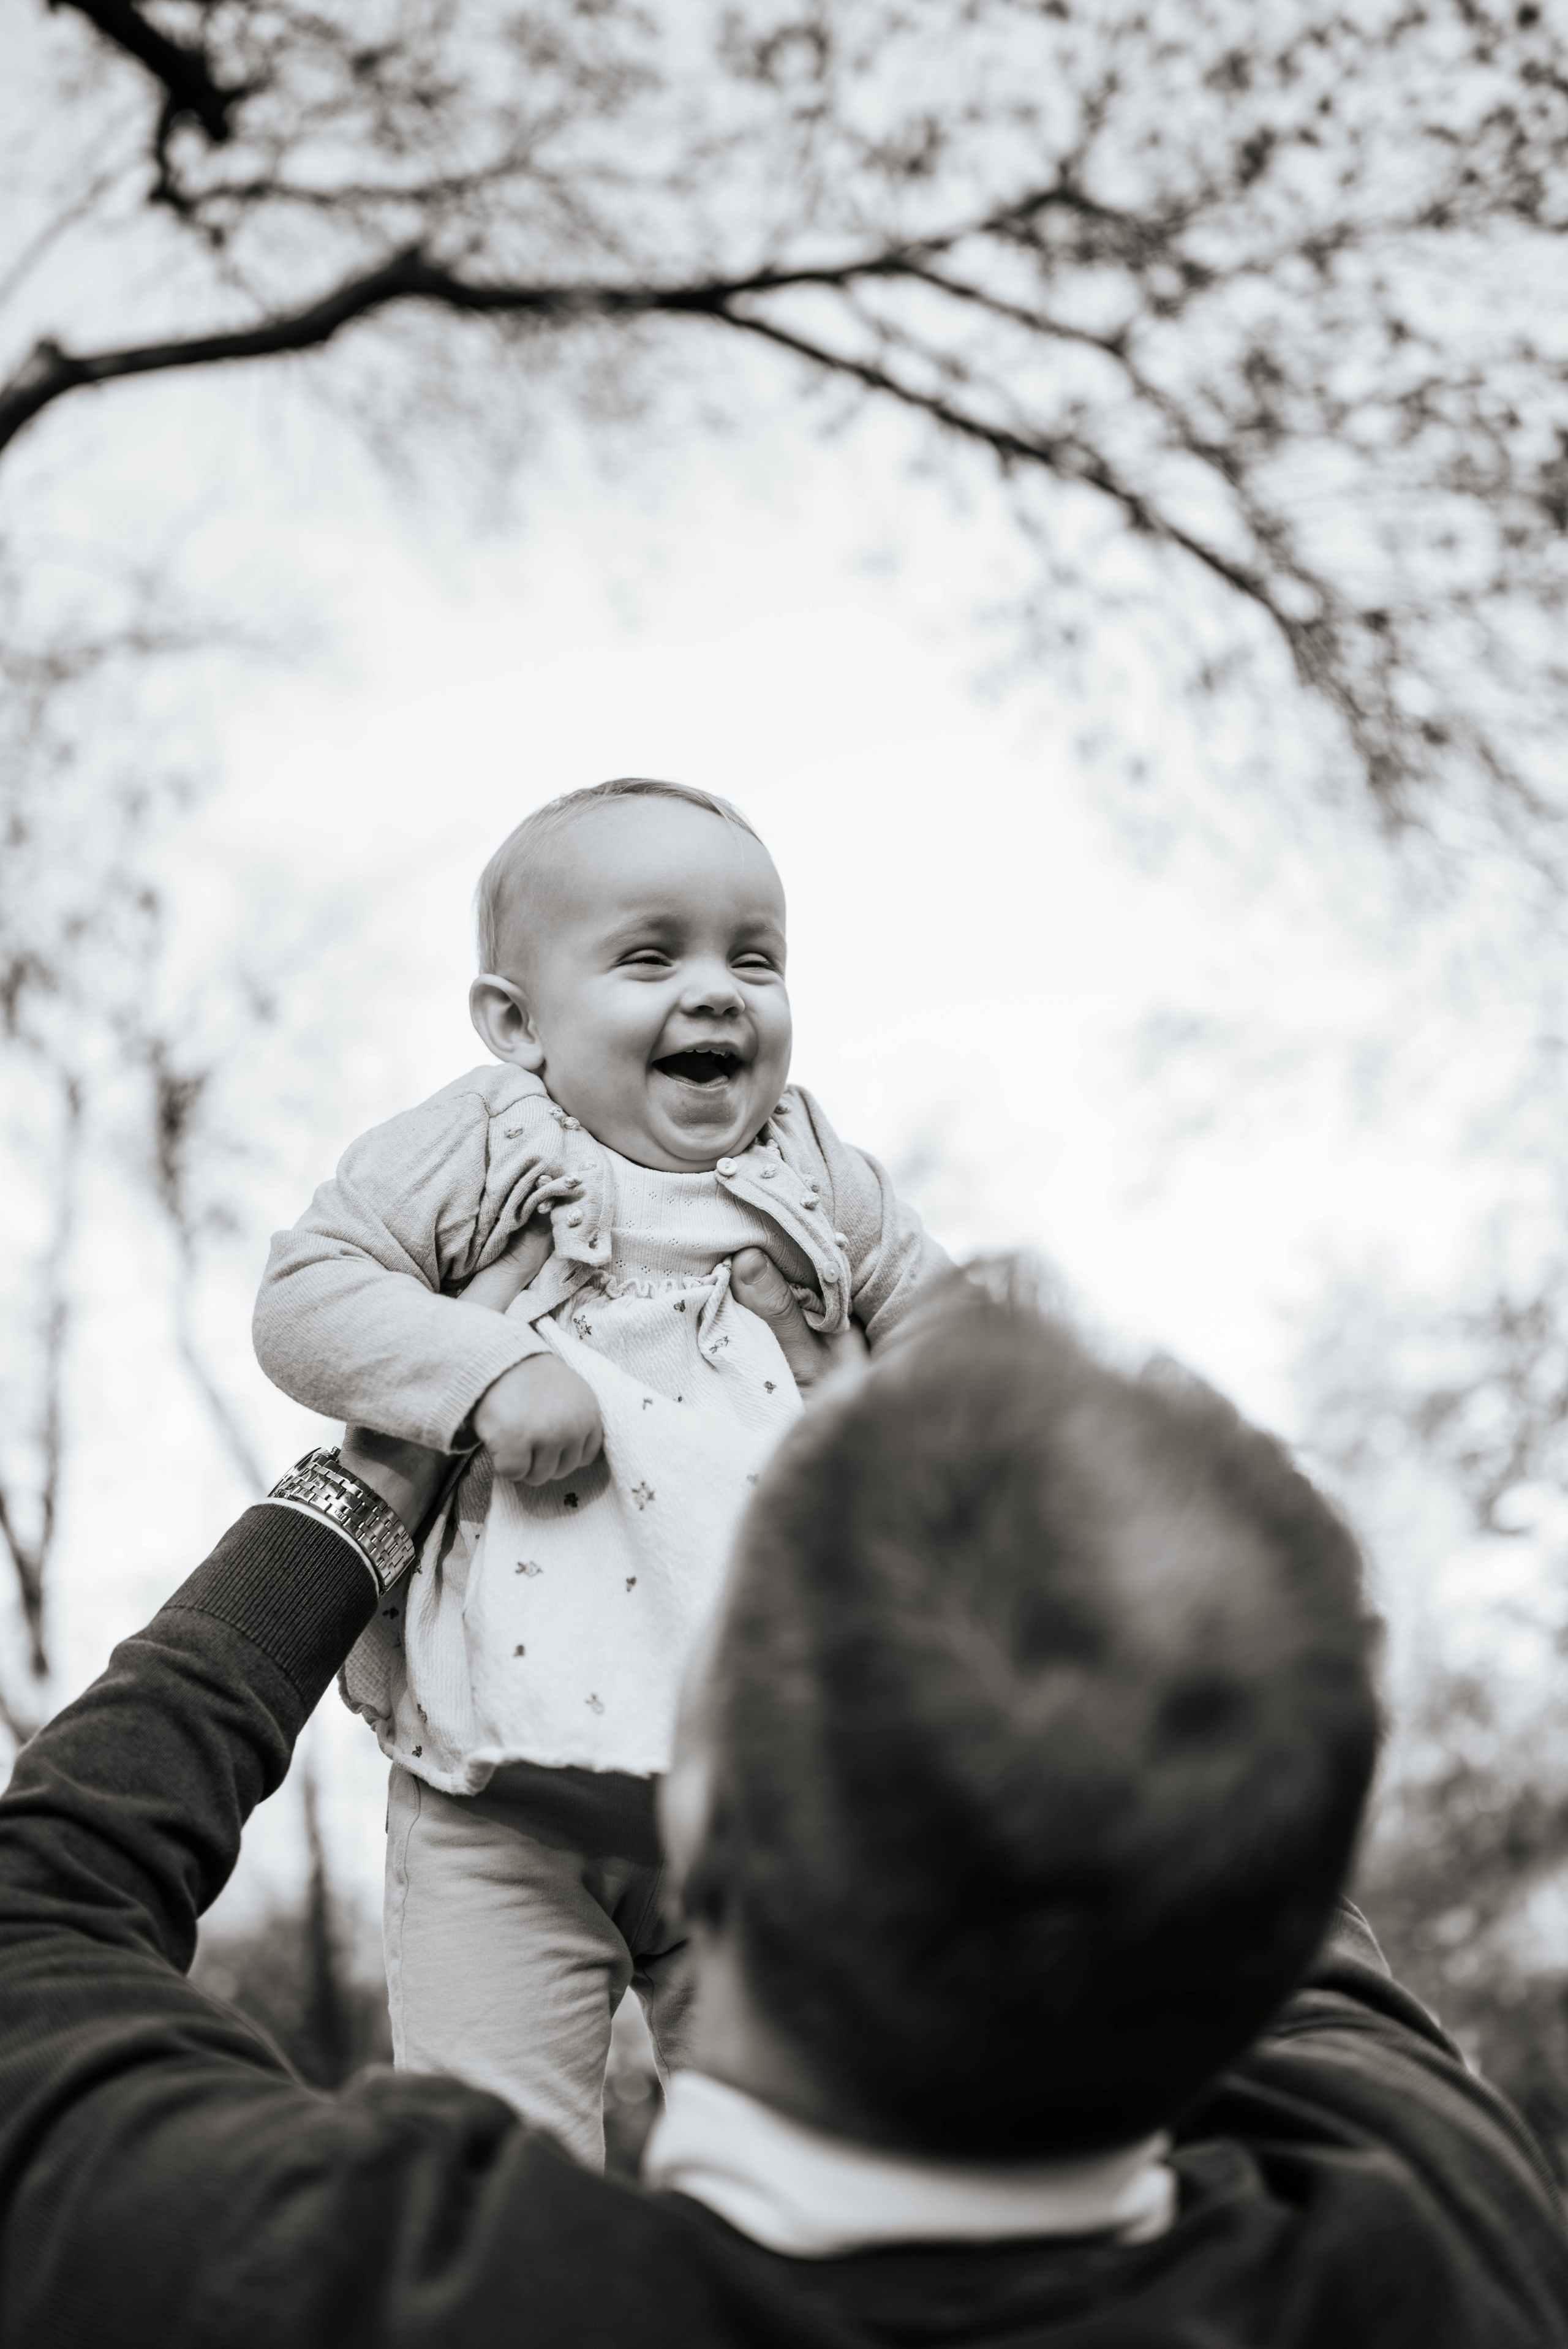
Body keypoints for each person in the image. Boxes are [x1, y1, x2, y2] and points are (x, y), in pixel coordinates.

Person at [1, 1279, 1564, 2347]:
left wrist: (353, 1504)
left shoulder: (355, 2291)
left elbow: (32, 1935)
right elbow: (1261, 1879)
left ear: (698, 1820)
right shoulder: (1427, 2243)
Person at [251, 775, 946, 2162]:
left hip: (768, 1798)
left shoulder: (820, 1174)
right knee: (488, 2177)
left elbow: (954, 1331)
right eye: (651, 954)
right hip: (499, 1794)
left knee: (810, 2162)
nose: (718, 992)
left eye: (755, 957)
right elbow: (304, 1296)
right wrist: (487, 1370)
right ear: (516, 1022)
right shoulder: (491, 1141)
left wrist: (882, 1410)